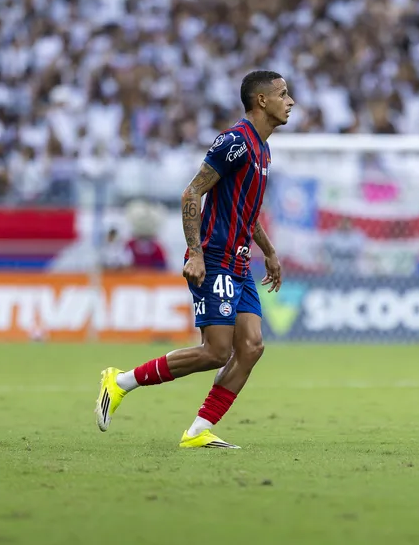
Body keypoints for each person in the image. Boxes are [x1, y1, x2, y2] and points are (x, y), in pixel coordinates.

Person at [95, 71, 294, 449]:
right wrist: (197, 254)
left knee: (251, 347)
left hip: (239, 263)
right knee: (216, 351)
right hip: (215, 258)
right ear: (262, 101)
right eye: (283, 94)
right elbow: (191, 194)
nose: (291, 101)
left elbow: (246, 213)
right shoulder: (235, 142)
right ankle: (120, 382)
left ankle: (198, 430)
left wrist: (268, 251)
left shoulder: (263, 150)